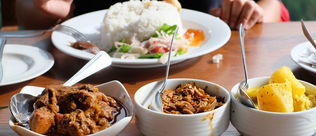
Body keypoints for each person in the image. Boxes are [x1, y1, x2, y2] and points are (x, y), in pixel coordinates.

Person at [16, 0, 289, 30]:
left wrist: (253, 12)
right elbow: (26, 16)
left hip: (207, 72)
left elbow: (272, 6)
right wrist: (46, 6)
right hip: (97, 75)